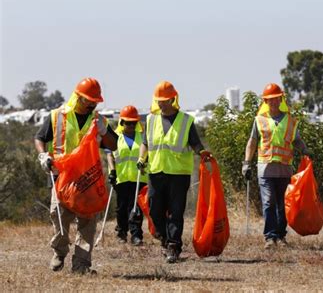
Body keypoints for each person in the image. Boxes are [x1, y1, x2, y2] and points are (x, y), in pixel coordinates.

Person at [34, 78, 118, 274]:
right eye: (89, 100)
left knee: (87, 223)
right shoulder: (57, 116)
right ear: (78, 97)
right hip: (60, 177)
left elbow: (113, 145)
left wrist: (104, 131)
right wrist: (43, 155)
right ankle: (59, 251)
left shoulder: (99, 120)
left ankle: (81, 264)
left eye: (95, 101)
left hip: (86, 180)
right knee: (59, 218)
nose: (93, 104)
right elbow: (40, 137)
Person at [137, 80, 211, 263]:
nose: (160, 103)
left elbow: (195, 143)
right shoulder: (150, 119)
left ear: (173, 99)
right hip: (156, 171)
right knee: (155, 209)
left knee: (176, 211)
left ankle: (173, 246)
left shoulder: (186, 121)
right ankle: (163, 237)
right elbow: (145, 143)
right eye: (158, 100)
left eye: (164, 100)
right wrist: (141, 158)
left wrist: (202, 154)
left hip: (179, 174)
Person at [242, 83, 309, 250]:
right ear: (265, 101)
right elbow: (252, 142)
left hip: (285, 168)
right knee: (268, 201)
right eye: (269, 99)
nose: (273, 102)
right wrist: (246, 163)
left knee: (282, 204)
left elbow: (297, 141)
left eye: (276, 99)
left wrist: (307, 151)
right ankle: (270, 237)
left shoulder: (291, 121)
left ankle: (280, 235)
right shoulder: (259, 120)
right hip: (265, 168)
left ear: (281, 99)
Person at [106, 105, 147, 246]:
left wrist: (144, 163)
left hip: (138, 178)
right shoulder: (115, 137)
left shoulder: (141, 137)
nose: (130, 125)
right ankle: (121, 232)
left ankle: (136, 235)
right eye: (127, 122)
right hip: (121, 178)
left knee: (136, 208)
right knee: (122, 208)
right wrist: (112, 171)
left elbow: (147, 153)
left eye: (133, 123)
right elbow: (109, 155)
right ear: (121, 122)